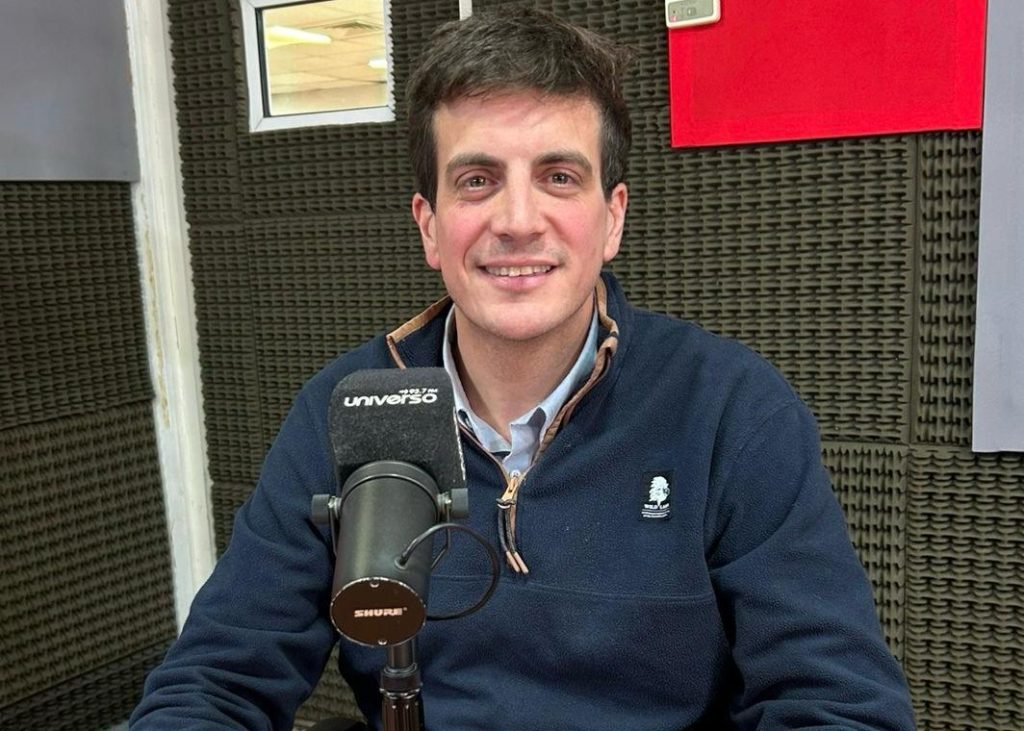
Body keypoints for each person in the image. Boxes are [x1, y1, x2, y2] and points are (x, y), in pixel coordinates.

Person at [131, 8, 916, 729]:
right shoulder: (345, 413)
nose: (516, 220)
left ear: (612, 218)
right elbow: (214, 681)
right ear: (429, 225)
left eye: (558, 177)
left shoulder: (731, 411)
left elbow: (837, 704)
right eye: (477, 180)